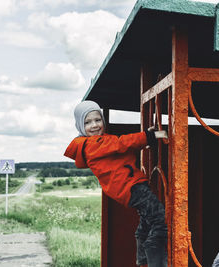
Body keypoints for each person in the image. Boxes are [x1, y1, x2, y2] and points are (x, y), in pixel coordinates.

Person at [64, 100, 168, 267]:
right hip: (131, 186)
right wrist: (150, 136)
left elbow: (122, 151)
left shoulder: (99, 142)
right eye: (88, 122)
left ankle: (142, 258)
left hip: (129, 186)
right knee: (160, 219)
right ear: (80, 127)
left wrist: (146, 137)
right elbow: (121, 144)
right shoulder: (91, 144)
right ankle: (156, 260)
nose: (95, 125)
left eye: (98, 120)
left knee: (147, 219)